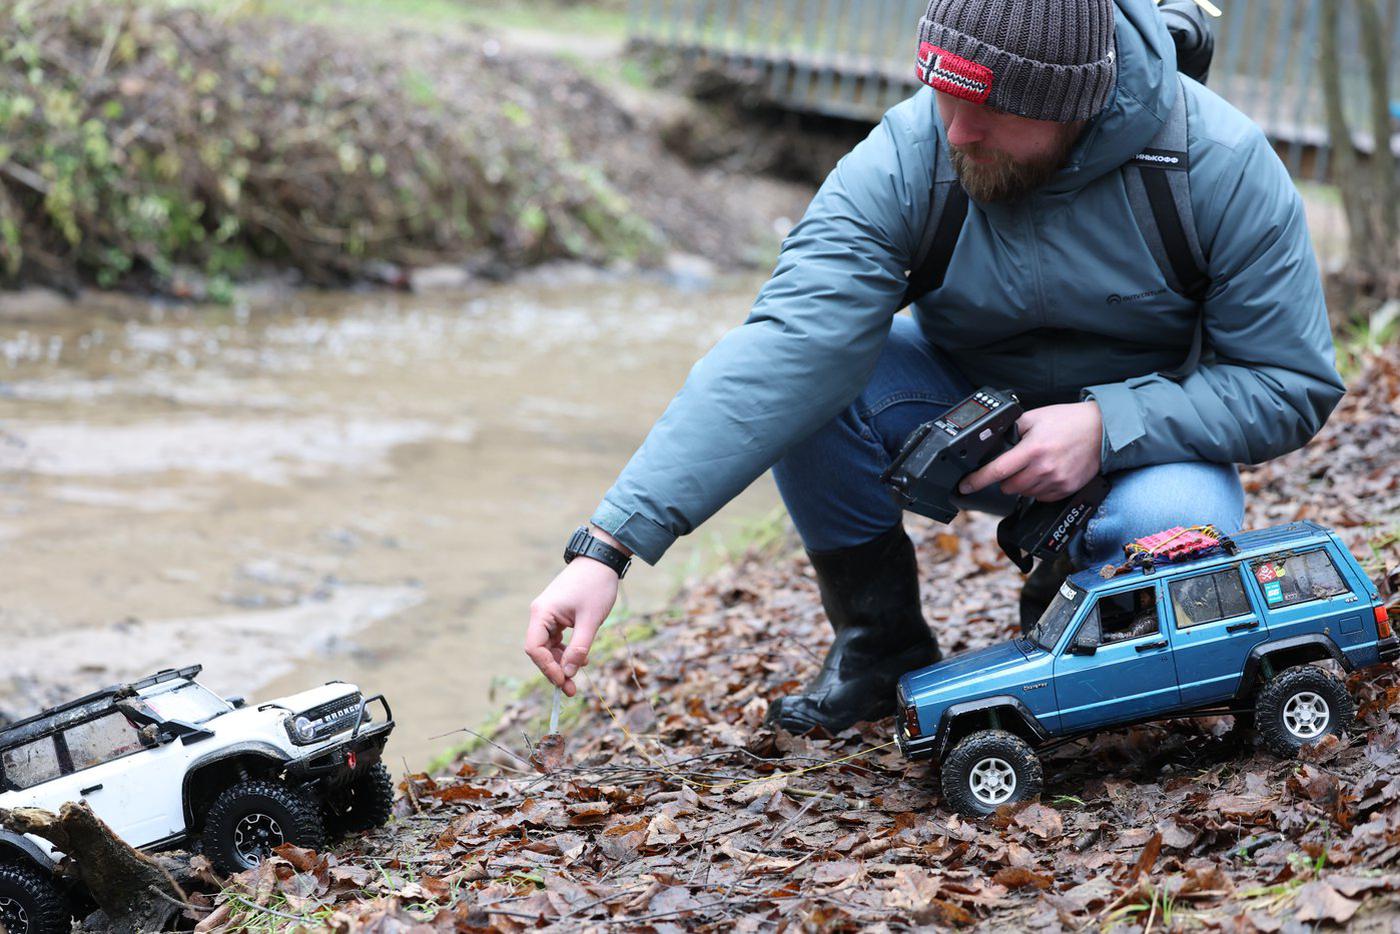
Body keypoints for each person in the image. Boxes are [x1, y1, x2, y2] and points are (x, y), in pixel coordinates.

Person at [524, 0, 1345, 735]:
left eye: (985, 107)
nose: (954, 130)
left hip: (1147, 455)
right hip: (964, 421)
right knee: (817, 381)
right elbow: (784, 348)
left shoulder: (1219, 163)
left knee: (1175, 527)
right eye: (943, 92)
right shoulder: (915, 150)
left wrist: (1108, 427)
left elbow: (1287, 381)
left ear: (1073, 103)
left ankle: (1071, 601)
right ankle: (877, 644)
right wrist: (609, 546)